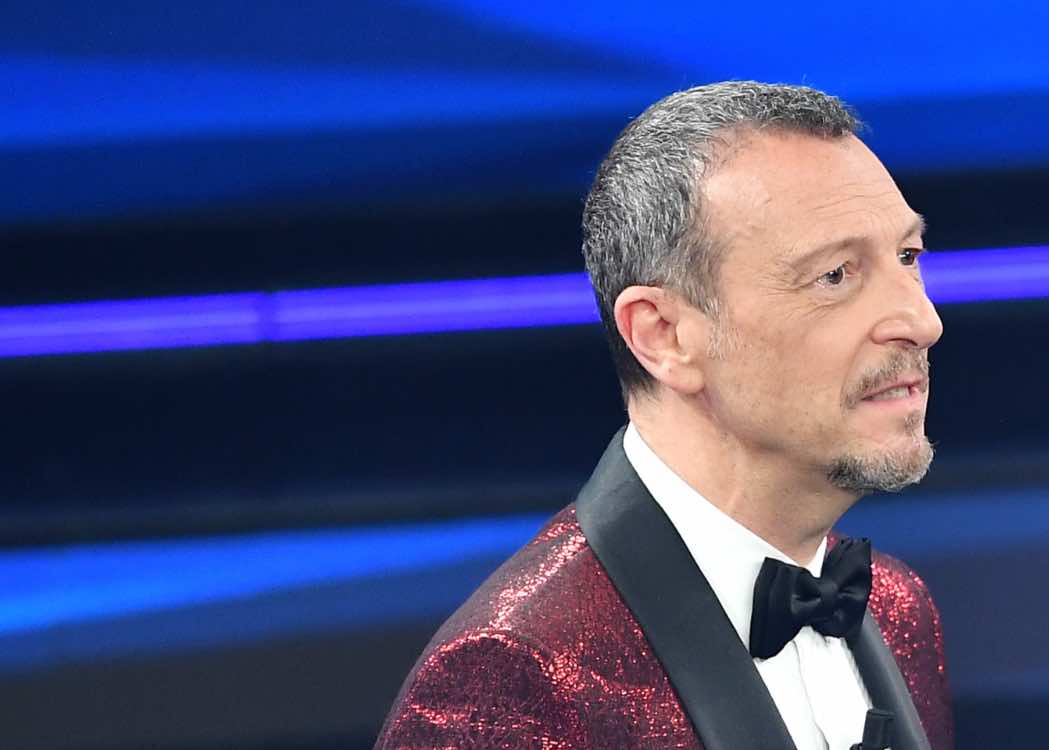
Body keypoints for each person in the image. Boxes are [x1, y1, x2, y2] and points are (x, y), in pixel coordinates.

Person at [376, 81, 953, 750]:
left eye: (908, 257)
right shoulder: (512, 678)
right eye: (835, 275)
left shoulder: (899, 609)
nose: (922, 321)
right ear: (663, 336)